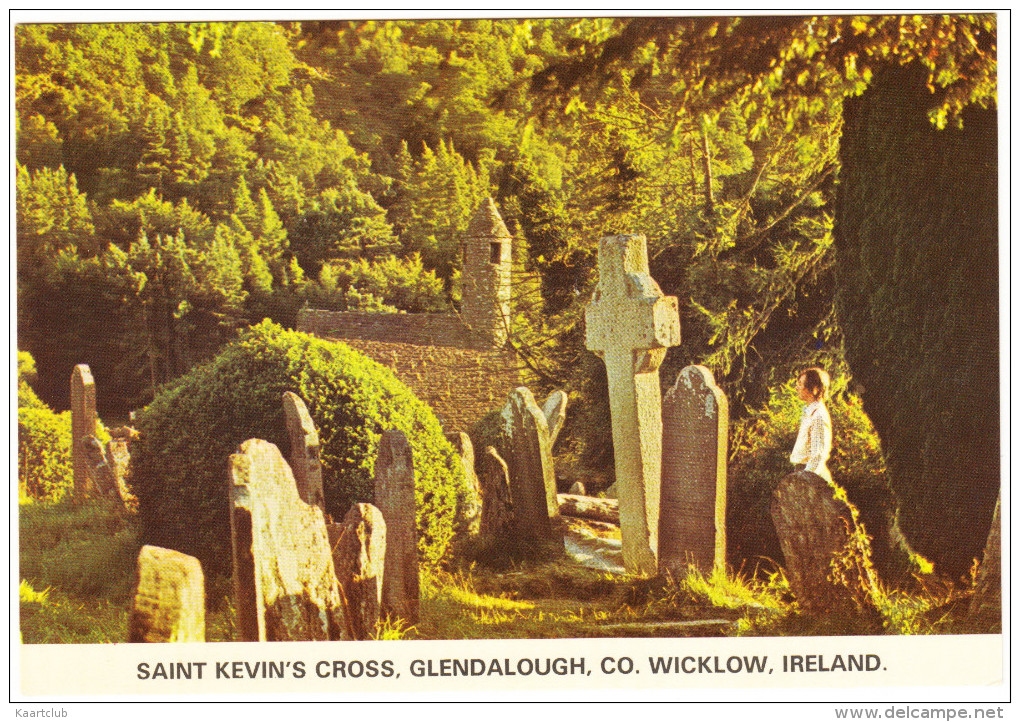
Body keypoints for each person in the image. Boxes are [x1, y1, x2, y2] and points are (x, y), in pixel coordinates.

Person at [790, 367, 832, 482]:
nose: (797, 387)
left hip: (812, 477)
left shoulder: (818, 415)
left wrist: (805, 481)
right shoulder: (809, 412)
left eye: (800, 384)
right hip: (803, 473)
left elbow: (818, 456)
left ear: (813, 388)